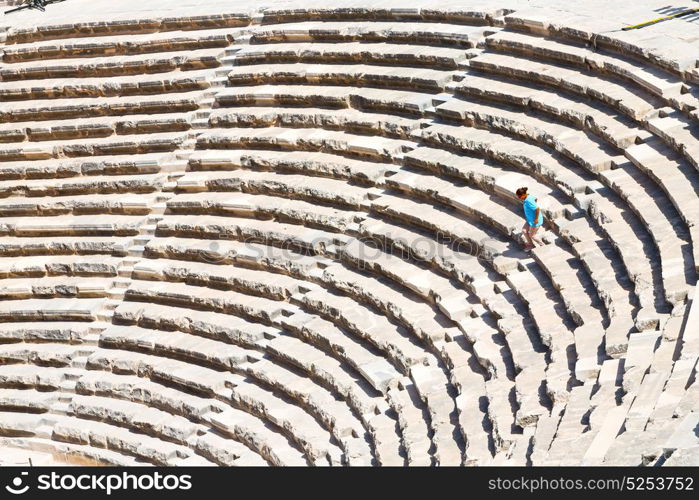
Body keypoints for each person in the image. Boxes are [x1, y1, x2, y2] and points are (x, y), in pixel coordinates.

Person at [516, 187, 544, 251]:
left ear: (523, 195)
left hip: (535, 221)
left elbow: (537, 209)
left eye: (519, 196)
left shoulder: (528, 201)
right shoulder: (528, 196)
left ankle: (542, 245)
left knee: (532, 235)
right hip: (530, 220)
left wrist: (536, 219)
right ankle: (531, 245)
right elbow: (535, 199)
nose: (519, 198)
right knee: (524, 231)